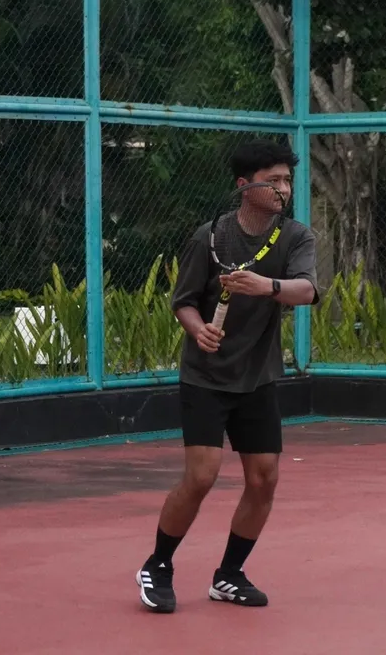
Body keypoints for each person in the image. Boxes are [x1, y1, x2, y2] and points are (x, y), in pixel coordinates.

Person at [136, 139, 319, 613]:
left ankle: (229, 576)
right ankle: (157, 565)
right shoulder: (210, 238)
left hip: (257, 377)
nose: (283, 189)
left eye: (287, 180)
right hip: (205, 377)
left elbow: (306, 291)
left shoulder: (296, 237)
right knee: (201, 476)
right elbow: (183, 302)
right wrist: (198, 330)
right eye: (273, 181)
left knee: (264, 480)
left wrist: (265, 286)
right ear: (244, 186)